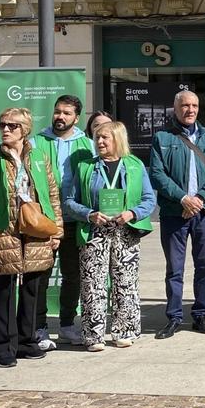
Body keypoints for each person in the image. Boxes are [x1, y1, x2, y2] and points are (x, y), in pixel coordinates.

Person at [0, 108, 62, 367]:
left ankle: (26, 341)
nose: (6, 130)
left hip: (36, 230)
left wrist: (57, 231)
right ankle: (2, 348)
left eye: (12, 126)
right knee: (5, 289)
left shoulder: (40, 157)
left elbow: (52, 196)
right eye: (2, 125)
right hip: (3, 230)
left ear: (25, 130)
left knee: (32, 288)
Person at [64, 120, 156, 350]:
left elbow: (149, 199)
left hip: (125, 231)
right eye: (97, 138)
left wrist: (132, 213)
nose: (100, 142)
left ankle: (125, 330)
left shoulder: (134, 165)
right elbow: (69, 201)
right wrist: (88, 214)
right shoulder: (86, 167)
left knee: (126, 283)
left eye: (105, 137)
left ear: (118, 139)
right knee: (93, 284)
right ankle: (93, 335)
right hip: (95, 232)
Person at [148, 90, 205, 339]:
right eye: (185, 105)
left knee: (204, 266)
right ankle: (174, 317)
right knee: (175, 268)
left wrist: (201, 197)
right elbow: (157, 174)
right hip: (175, 212)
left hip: (204, 212)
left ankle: (201, 314)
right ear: (176, 108)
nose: (190, 109)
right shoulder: (162, 137)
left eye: (194, 105)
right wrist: (183, 198)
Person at [35, 94, 95, 349]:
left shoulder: (87, 145)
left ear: (76, 118)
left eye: (67, 113)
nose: (60, 116)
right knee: (40, 276)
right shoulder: (35, 142)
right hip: (43, 222)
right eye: (58, 111)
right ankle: (38, 328)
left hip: (74, 221)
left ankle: (68, 325)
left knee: (73, 276)